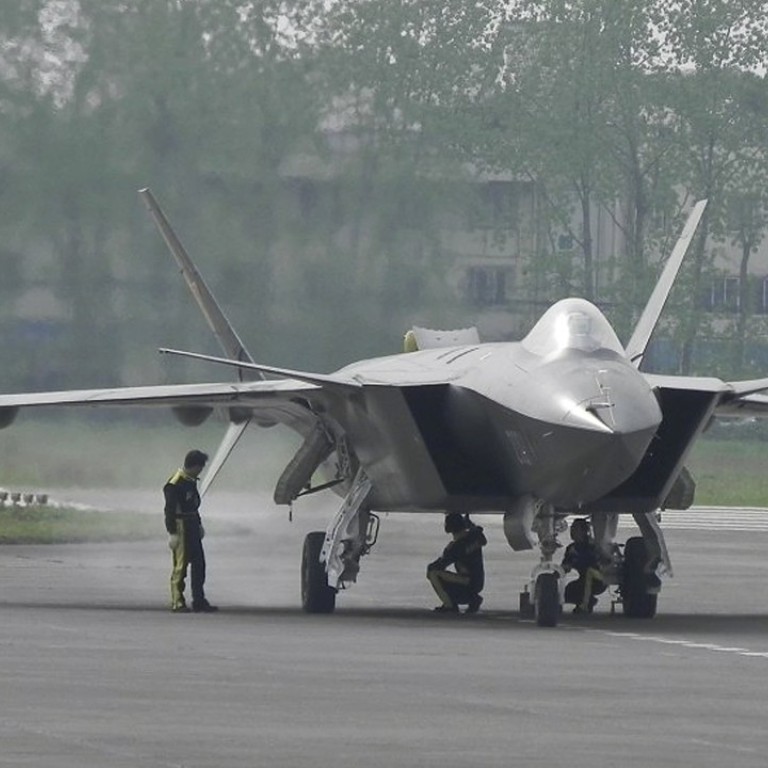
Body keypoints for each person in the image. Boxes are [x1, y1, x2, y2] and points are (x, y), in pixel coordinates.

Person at [164, 449, 218, 613]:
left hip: (192, 524)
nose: (201, 471)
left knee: (199, 565)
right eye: (200, 467)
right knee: (180, 567)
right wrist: (172, 532)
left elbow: (193, 506)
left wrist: (199, 524)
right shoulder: (175, 483)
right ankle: (177, 601)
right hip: (181, 526)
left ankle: (199, 600)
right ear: (194, 466)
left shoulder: (190, 480)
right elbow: (170, 510)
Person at [427, 512, 487, 614]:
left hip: (467, 581)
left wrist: (445, 552)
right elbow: (482, 537)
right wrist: (471, 525)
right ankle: (472, 599)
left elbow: (440, 565)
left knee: (432, 572)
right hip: (478, 581)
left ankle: (449, 605)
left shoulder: (456, 547)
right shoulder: (474, 537)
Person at [561, 518, 607, 613]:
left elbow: (594, 560)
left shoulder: (592, 545)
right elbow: (565, 565)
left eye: (576, 530)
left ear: (584, 531)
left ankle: (585, 604)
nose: (572, 532)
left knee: (589, 572)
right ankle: (586, 601)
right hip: (583, 579)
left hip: (599, 579)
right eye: (572, 529)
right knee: (568, 592)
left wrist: (577, 557)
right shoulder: (571, 548)